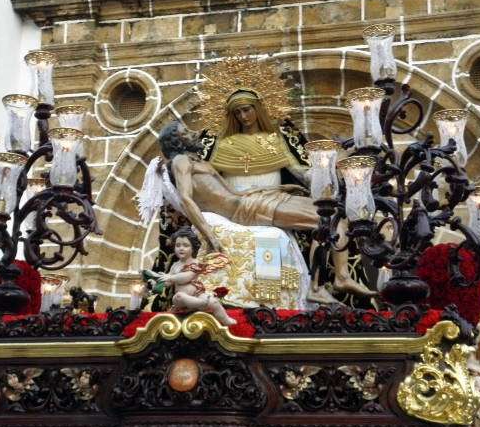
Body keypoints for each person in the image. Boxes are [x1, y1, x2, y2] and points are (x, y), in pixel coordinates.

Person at [158, 121, 375, 298]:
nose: (192, 132)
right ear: (176, 141)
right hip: (245, 210)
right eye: (185, 132)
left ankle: (336, 279)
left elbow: (233, 192)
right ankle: (325, 284)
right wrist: (209, 234)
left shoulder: (198, 162)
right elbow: (186, 198)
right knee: (327, 219)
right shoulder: (180, 161)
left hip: (251, 200)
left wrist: (277, 189)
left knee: (334, 215)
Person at [209, 88, 309, 192]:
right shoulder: (225, 144)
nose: (243, 116)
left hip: (271, 197)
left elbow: (300, 171)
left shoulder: (275, 140)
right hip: (235, 198)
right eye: (237, 112)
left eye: (246, 110)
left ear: (257, 109)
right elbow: (208, 176)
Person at [144, 227, 236, 326]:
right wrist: (157, 282)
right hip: (182, 301)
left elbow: (187, 277)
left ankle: (226, 319)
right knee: (179, 296)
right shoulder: (175, 265)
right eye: (178, 245)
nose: (181, 248)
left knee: (214, 302)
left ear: (193, 248)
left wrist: (170, 277)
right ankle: (201, 304)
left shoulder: (195, 263)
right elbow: (168, 283)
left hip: (197, 294)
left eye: (186, 245)